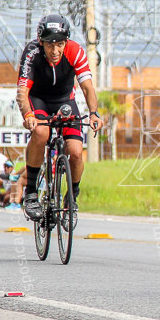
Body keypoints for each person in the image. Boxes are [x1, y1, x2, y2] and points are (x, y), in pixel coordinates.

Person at [17, 14, 103, 227]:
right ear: (41, 42)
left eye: (60, 45)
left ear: (66, 42)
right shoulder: (32, 52)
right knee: (41, 133)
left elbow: (87, 86)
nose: (55, 51)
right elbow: (22, 92)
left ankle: (71, 199)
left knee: (75, 152)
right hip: (38, 100)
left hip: (65, 100)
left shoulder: (75, 51)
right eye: (49, 45)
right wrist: (28, 116)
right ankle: (31, 194)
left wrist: (94, 113)